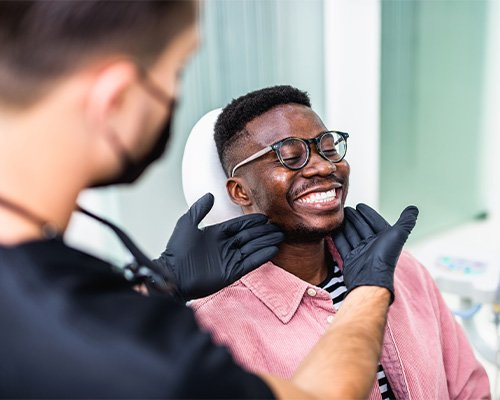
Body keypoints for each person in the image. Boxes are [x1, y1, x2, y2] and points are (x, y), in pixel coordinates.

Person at [0, 2, 416, 398]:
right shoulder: (151, 349)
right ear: (117, 97)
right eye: (175, 72)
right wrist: (370, 290)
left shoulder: (45, 300)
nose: (321, 167)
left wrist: (157, 283)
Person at [189, 85, 491, 399]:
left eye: (329, 149)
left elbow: (470, 390)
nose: (324, 166)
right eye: (291, 156)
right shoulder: (212, 329)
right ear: (240, 192)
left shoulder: (400, 269)